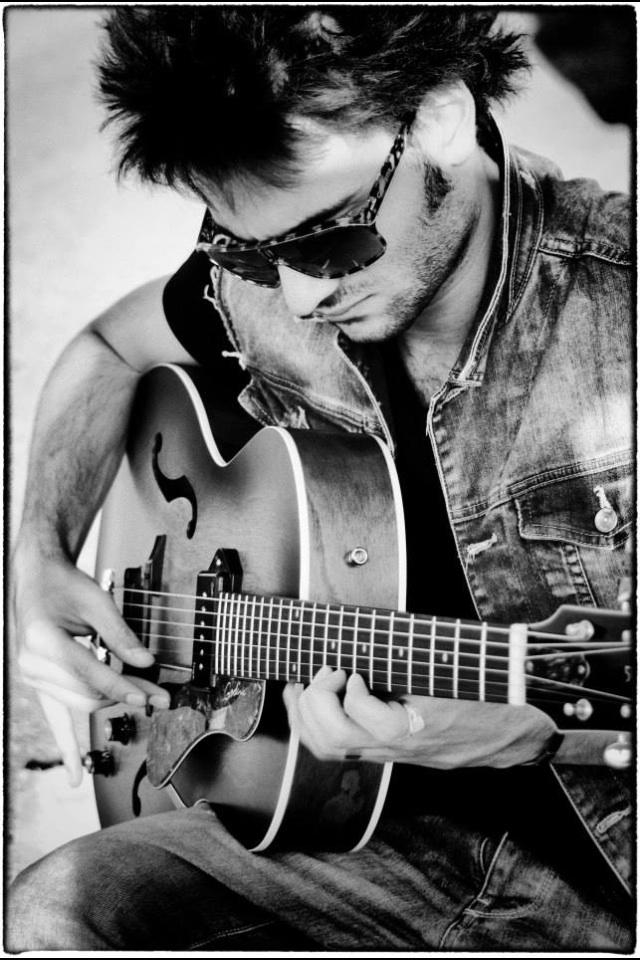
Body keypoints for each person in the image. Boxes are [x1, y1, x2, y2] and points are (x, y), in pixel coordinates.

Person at [7, 7, 633, 952]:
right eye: (245, 250)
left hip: (605, 895)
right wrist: (38, 556)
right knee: (57, 911)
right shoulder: (261, 292)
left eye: (329, 240)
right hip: (357, 838)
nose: (300, 298)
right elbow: (107, 347)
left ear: (440, 118)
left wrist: (546, 731)